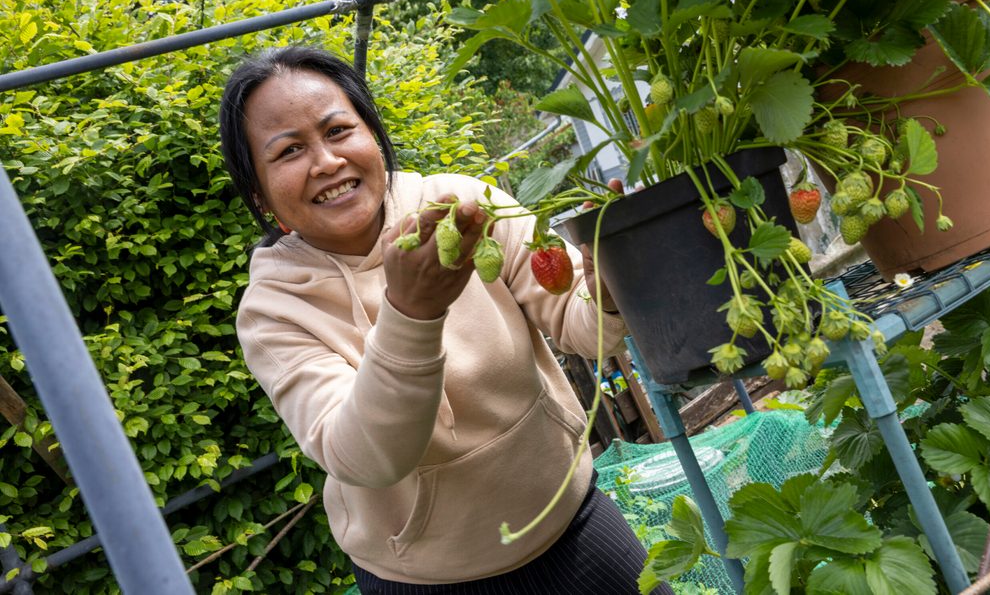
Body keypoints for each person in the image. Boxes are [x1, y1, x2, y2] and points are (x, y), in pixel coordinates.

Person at [218, 45, 674, 594]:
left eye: (338, 130)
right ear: (259, 194)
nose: (326, 162)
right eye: (289, 151)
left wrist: (609, 282)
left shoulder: (461, 204)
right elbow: (362, 457)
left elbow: (580, 323)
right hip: (428, 578)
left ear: (373, 135)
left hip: (571, 523)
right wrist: (413, 313)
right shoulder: (274, 310)